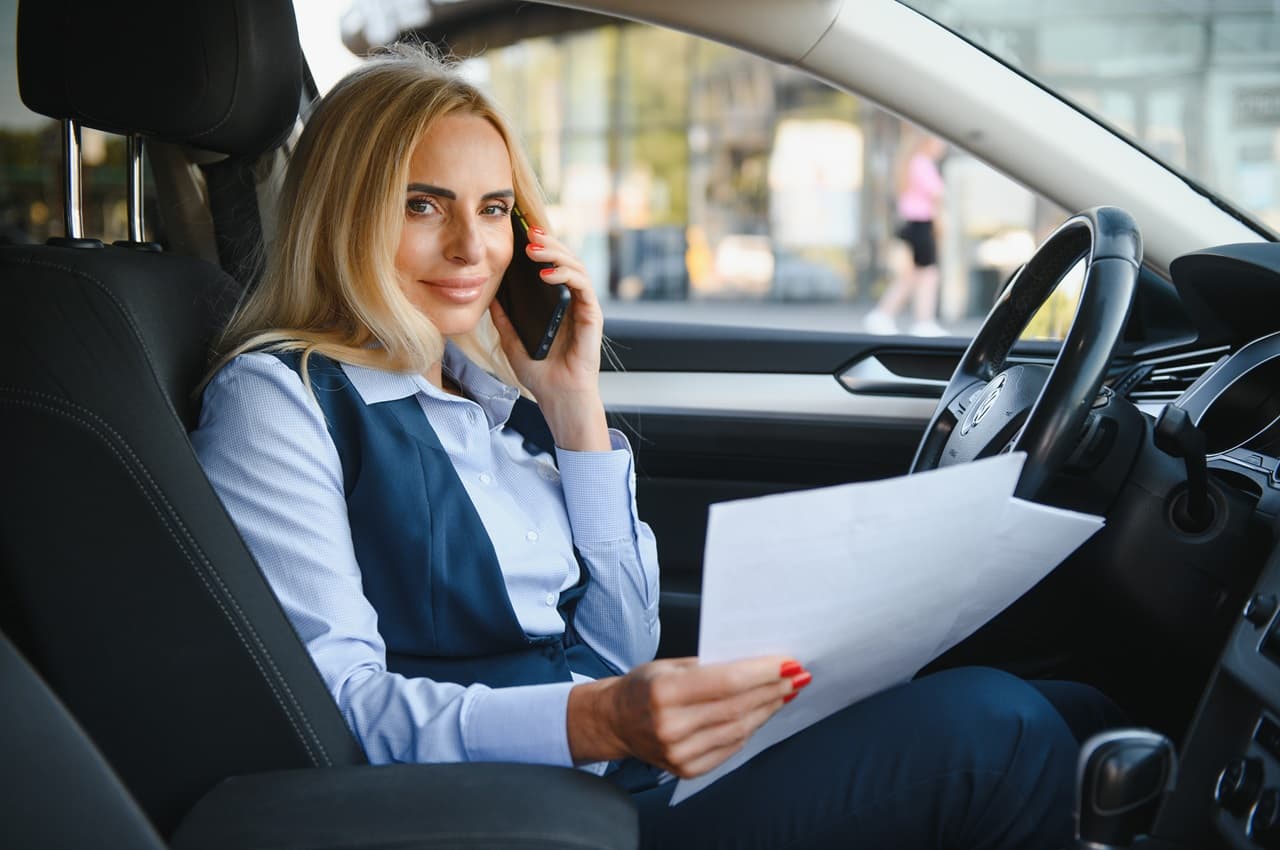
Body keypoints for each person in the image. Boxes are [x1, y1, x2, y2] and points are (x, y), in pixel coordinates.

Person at [192, 47, 1123, 849]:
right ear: (345, 211)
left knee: (1075, 712)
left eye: (492, 209)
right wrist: (599, 718)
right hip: (522, 815)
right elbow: (338, 708)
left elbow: (617, 645)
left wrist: (574, 405)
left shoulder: (489, 399)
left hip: (612, 774)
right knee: (995, 732)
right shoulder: (279, 398)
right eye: (423, 206)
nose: (472, 249)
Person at [865, 134, 948, 337]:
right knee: (928, 273)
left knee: (911, 275)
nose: (942, 146)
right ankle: (923, 321)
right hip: (921, 224)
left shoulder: (909, 163)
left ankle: (883, 315)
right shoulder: (922, 163)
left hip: (911, 224)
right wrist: (941, 223)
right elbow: (937, 194)